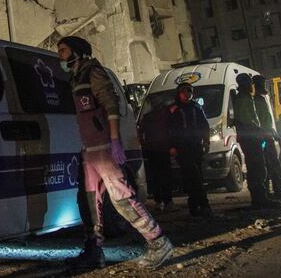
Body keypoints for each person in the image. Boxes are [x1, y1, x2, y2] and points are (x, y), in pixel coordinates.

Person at [58, 36, 173, 270]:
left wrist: (114, 141)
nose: (60, 54)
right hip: (89, 150)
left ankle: (159, 242)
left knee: (121, 198)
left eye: (63, 50)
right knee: (89, 200)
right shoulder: (76, 76)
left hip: (103, 148)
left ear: (77, 51)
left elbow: (111, 106)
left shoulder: (94, 72)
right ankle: (94, 250)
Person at [233, 74, 281, 209]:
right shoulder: (243, 99)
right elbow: (248, 121)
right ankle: (260, 199)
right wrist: (263, 132)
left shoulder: (247, 98)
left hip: (253, 138)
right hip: (251, 139)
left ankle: (261, 198)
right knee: (257, 169)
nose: (251, 85)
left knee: (259, 168)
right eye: (249, 83)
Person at [167, 82, 212, 217]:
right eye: (184, 91)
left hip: (196, 147)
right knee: (193, 176)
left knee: (196, 177)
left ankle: (195, 206)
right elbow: (169, 129)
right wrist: (171, 146)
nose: (187, 94)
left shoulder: (196, 107)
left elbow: (204, 125)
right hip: (182, 149)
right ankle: (203, 205)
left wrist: (206, 141)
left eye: (190, 91)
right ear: (179, 93)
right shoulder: (174, 109)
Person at [252, 74, 281, 201]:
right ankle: (270, 191)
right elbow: (260, 120)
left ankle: (276, 189)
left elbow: (268, 119)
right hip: (263, 137)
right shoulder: (256, 100)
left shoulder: (264, 98)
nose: (264, 86)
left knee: (273, 163)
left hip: (269, 135)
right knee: (267, 164)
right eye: (262, 84)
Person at [139, 98, 175, 212]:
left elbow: (140, 133)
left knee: (156, 177)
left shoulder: (147, 117)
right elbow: (171, 131)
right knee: (165, 176)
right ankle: (167, 201)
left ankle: (159, 201)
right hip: (162, 150)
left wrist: (144, 145)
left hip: (152, 150)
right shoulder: (166, 117)